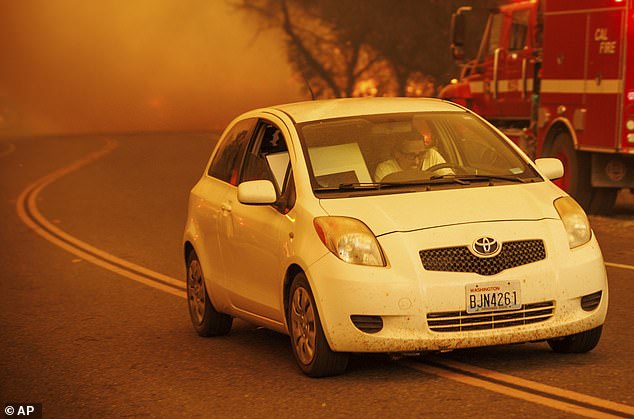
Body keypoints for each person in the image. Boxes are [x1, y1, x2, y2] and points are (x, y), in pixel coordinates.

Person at [375, 134, 452, 182]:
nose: (417, 161)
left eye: (421, 154)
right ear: (397, 154)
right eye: (410, 156)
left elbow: (450, 180)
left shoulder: (431, 155)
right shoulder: (385, 169)